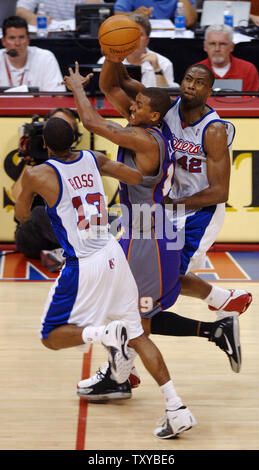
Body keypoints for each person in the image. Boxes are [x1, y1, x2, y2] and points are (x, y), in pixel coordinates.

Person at [63, 63, 242, 431]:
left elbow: (95, 124)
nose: (132, 106)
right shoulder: (156, 123)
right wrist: (112, 56)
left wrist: (78, 91)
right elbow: (116, 98)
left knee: (136, 322)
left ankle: (169, 402)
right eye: (188, 79)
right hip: (148, 225)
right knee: (127, 313)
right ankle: (130, 373)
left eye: (139, 103)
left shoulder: (163, 137)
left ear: (153, 113)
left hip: (164, 225)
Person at [14, 106, 198, 441]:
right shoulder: (93, 158)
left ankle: (105, 334)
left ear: (43, 144)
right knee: (139, 335)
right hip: (113, 253)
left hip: (84, 263)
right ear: (76, 138)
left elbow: (23, 214)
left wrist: (28, 182)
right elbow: (134, 178)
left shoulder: (38, 174)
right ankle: (176, 408)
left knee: (50, 336)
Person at [12, 108, 81, 268]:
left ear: (73, 137)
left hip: (70, 228)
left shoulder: (79, 160)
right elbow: (17, 200)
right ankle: (72, 251)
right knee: (38, 213)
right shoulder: (32, 161)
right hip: (35, 236)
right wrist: (30, 160)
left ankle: (62, 253)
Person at [98, 13, 179, 88]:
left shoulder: (163, 63)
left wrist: (157, 69)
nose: (134, 39)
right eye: (130, 34)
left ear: (147, 39)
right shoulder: (106, 62)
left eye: (139, 35)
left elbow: (168, 98)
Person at [0, 16, 65, 92]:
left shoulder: (45, 58)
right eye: (12, 38)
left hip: (39, 104)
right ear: (3, 41)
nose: (17, 43)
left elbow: (58, 95)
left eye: (21, 37)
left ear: (28, 39)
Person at [197, 24, 259, 92]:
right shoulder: (195, 72)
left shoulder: (248, 70)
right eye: (212, 44)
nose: (217, 49)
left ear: (232, 46)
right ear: (205, 46)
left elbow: (254, 101)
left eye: (222, 44)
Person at [114, 0, 198, 28]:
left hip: (173, 42)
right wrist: (134, 14)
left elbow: (189, 21)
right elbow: (116, 15)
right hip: (139, 38)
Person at [15, 0, 102, 26]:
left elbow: (100, 8)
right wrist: (32, 18)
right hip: (48, 35)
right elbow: (20, 9)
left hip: (77, 37)